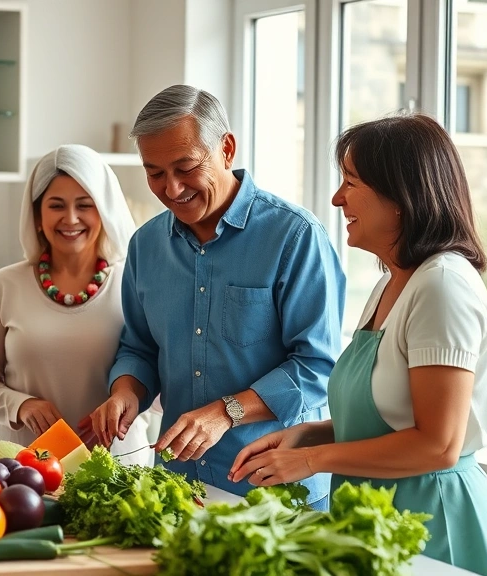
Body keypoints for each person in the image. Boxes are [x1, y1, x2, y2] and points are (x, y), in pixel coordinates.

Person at [229, 113, 487, 575]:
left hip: (431, 524)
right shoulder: (394, 282)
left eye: (351, 182)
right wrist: (308, 433)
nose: (337, 198)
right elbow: (389, 420)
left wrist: (309, 459)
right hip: (375, 514)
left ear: (401, 197)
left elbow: (438, 444)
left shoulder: (442, 286)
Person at [87, 85, 346, 507]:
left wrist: (228, 411)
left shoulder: (295, 236)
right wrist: (125, 393)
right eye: (154, 173)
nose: (171, 189)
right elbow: (139, 347)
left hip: (276, 492)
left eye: (185, 167)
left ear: (226, 148)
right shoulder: (145, 246)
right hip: (177, 487)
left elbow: (318, 366)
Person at [0, 144, 151, 463]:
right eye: (56, 205)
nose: (71, 218)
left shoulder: (137, 284)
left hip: (117, 468)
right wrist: (21, 405)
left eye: (84, 204)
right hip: (22, 468)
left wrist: (126, 398)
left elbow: (159, 378)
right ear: (37, 216)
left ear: (104, 210)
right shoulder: (5, 285)